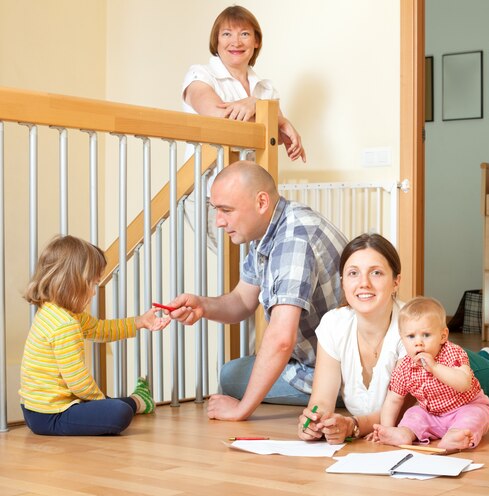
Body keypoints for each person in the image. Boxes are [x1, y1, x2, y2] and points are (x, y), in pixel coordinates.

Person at [298, 233, 489, 444]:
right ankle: (488, 357)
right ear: (343, 281)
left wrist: (353, 426)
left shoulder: (407, 335)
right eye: (353, 273)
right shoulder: (333, 325)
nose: (364, 284)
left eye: (377, 273)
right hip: (437, 388)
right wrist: (316, 421)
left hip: (461, 382)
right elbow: (321, 399)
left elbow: (404, 407)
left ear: (396, 281)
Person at [169, 160, 347, 421]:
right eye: (215, 209)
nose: (218, 221)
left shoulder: (292, 240)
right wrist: (202, 305)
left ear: (261, 202)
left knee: (232, 377)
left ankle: (343, 398)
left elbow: (281, 339)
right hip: (310, 360)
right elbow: (241, 300)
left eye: (226, 210)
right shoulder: (270, 231)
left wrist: (240, 411)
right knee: (232, 373)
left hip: (337, 370)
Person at [19, 235, 170, 436]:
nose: (93, 293)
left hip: (34, 409)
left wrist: (140, 321)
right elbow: (78, 381)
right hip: (51, 415)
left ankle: (137, 400)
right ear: (72, 282)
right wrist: (102, 403)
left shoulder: (53, 311)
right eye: (92, 284)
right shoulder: (64, 325)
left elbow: (100, 329)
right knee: (118, 412)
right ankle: (138, 401)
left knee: (106, 405)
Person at [182, 5, 305, 248]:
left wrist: (267, 112)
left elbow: (272, 137)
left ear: (256, 41)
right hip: (210, 194)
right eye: (226, 34)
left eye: (244, 34)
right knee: (238, 265)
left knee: (260, 261)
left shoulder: (265, 88)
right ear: (216, 41)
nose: (235, 42)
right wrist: (271, 114)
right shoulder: (201, 75)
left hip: (253, 194)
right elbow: (219, 118)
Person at [373, 297, 489, 451]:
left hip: (465, 406)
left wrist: (435, 367)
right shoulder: (404, 366)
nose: (418, 342)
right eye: (410, 336)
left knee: (475, 416)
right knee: (414, 414)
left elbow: (463, 384)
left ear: (443, 336)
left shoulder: (452, 352)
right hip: (431, 414)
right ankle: (403, 433)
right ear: (402, 339)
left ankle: (456, 436)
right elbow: (393, 400)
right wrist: (386, 428)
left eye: (426, 335)